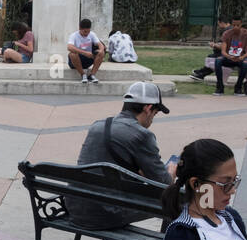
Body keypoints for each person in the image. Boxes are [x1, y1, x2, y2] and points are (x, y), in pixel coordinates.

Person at [65, 81, 177, 231]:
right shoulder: (142, 134)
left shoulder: (97, 125)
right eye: (155, 114)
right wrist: (171, 172)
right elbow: (164, 184)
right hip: (106, 215)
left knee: (109, 194)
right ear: (148, 108)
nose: (152, 120)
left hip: (76, 208)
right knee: (175, 200)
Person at [212, 16, 247, 96]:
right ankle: (220, 88)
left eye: (238, 25)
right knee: (218, 60)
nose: (235, 27)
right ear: (231, 24)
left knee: (246, 63)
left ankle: (238, 88)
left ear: (241, 24)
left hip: (241, 58)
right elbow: (223, 51)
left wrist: (241, 58)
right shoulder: (226, 34)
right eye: (234, 25)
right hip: (229, 57)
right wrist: (229, 56)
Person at [67, 18, 106, 83]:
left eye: (88, 31)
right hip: (76, 61)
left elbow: (100, 44)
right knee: (72, 54)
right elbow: (69, 47)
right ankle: (83, 75)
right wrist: (84, 53)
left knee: (101, 53)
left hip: (88, 59)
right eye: (85, 31)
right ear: (80, 28)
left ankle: (92, 75)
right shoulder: (73, 35)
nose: (87, 33)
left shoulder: (92, 34)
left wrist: (101, 50)